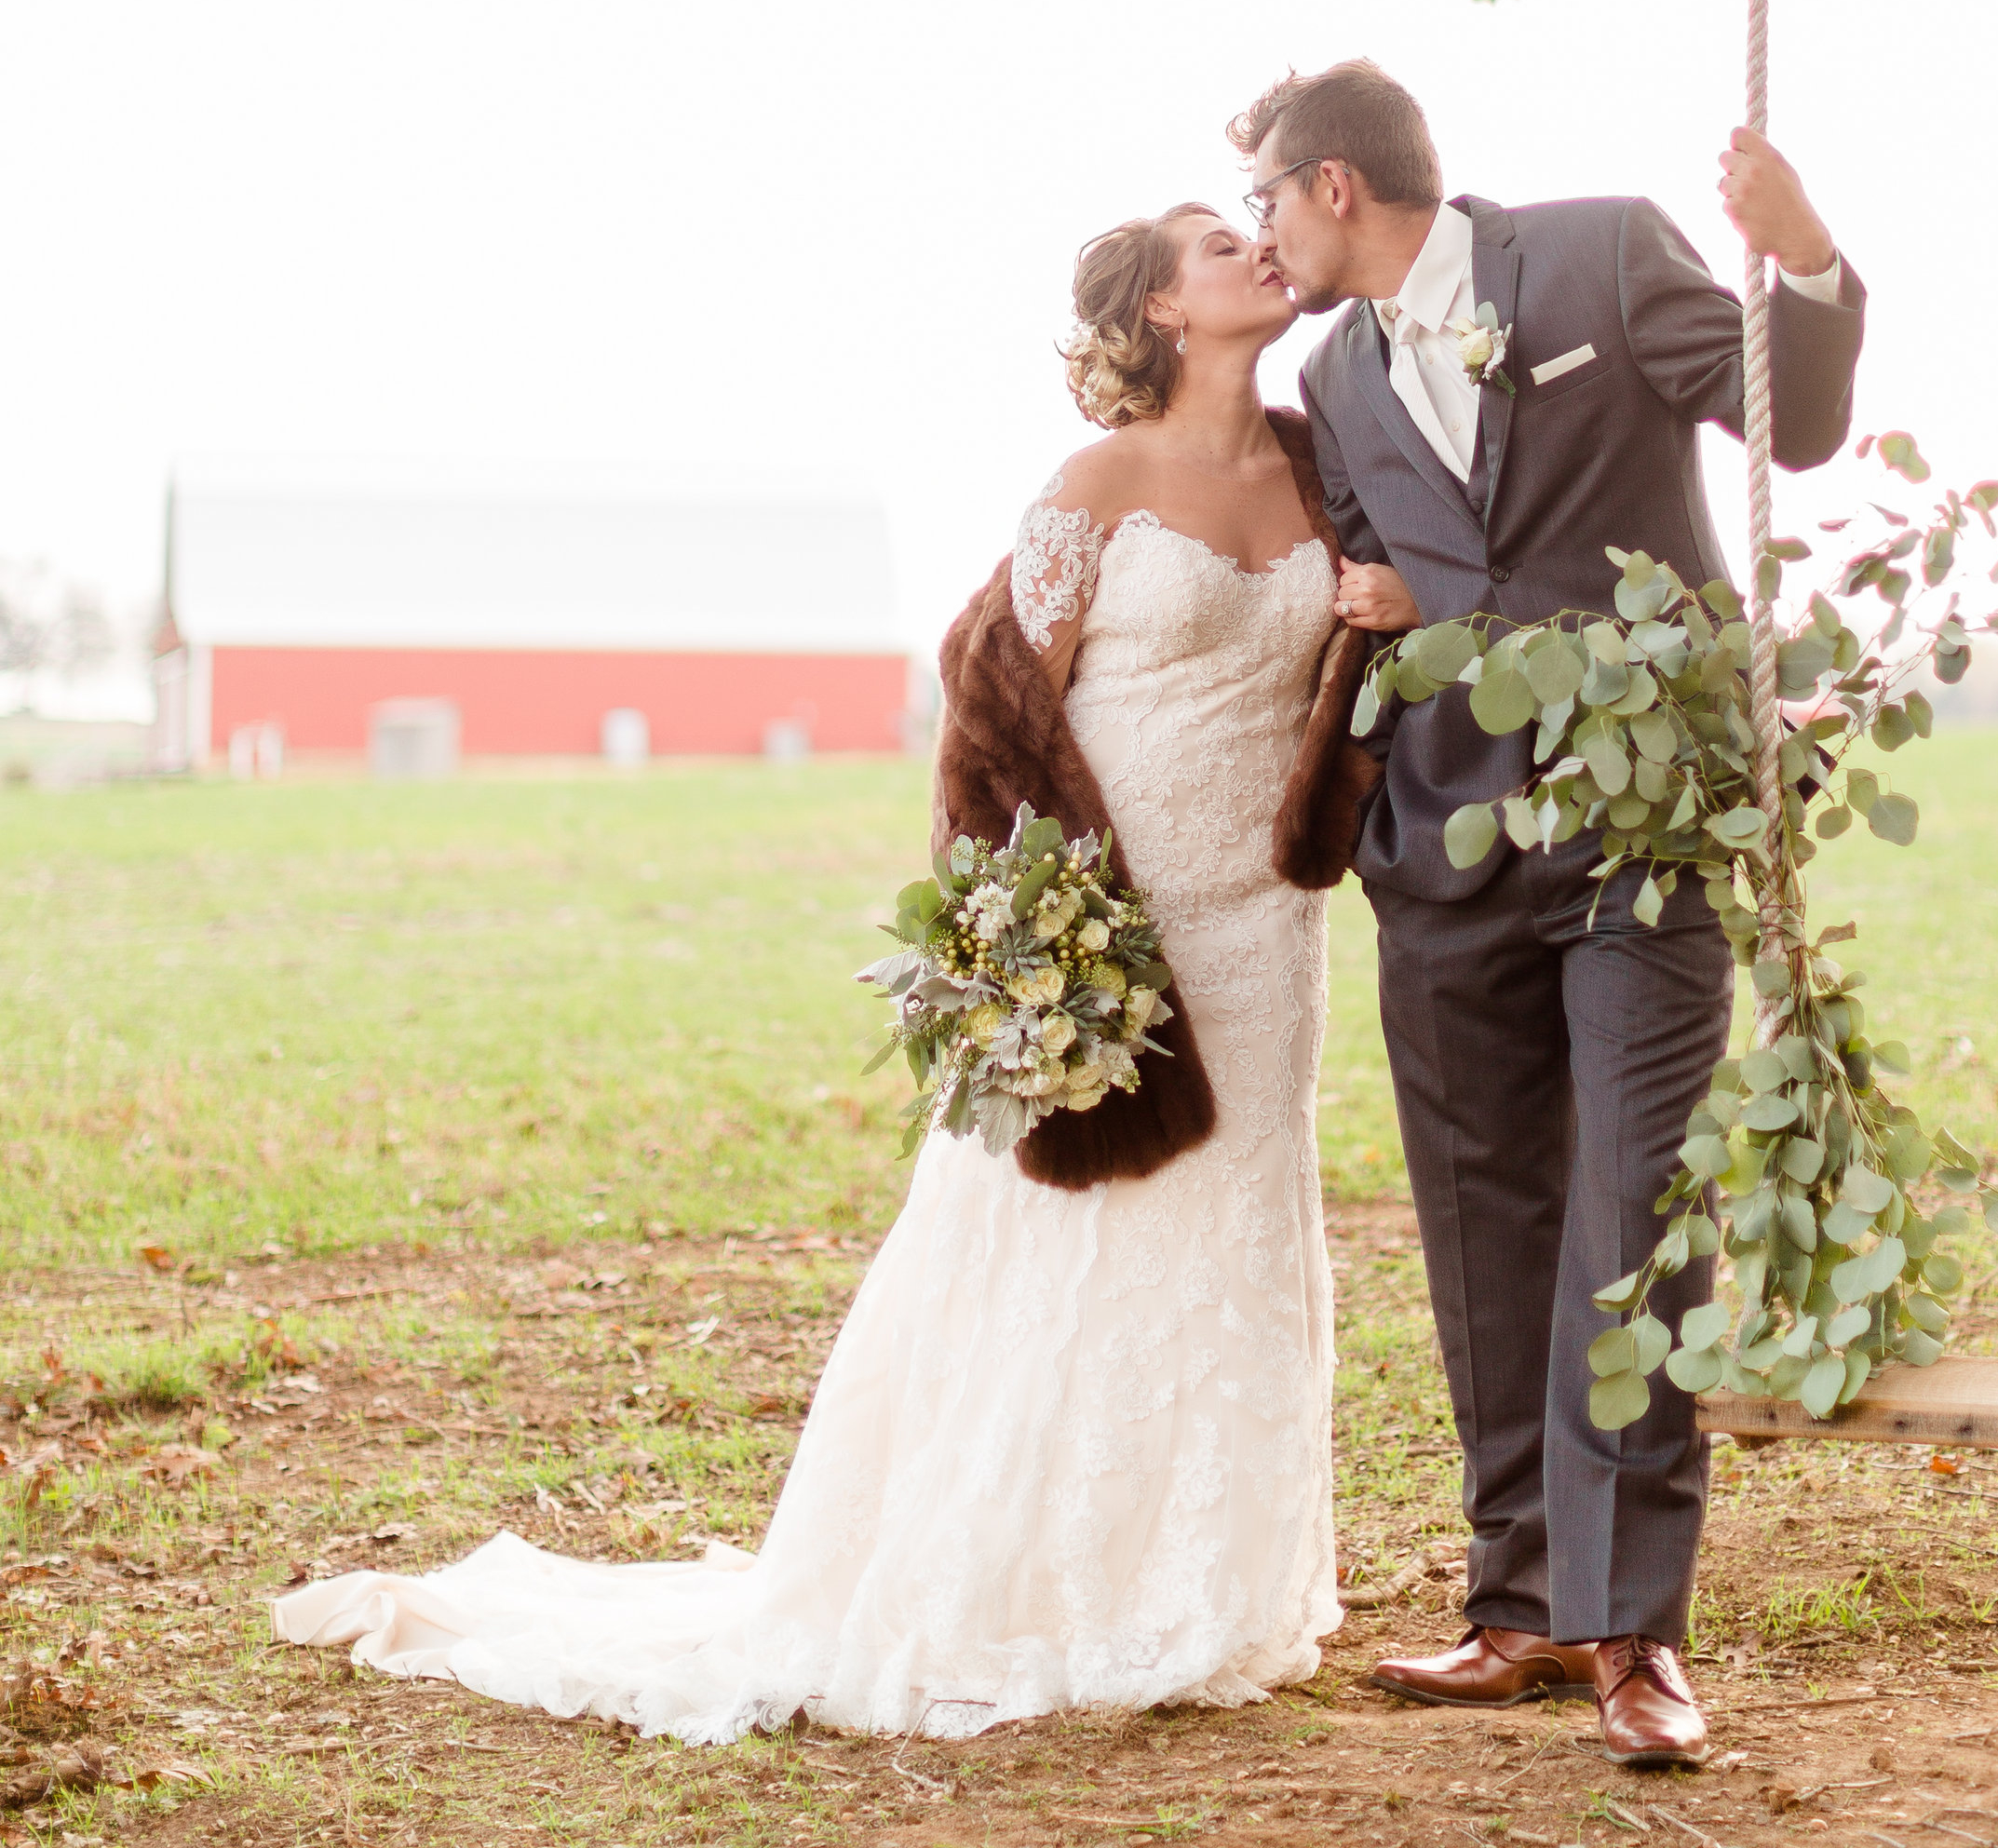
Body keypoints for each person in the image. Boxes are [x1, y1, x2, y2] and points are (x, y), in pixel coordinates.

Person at [274, 203, 1377, 1741]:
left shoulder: (1332, 464)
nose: (1254, 248)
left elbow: (1380, 647)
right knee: (1065, 1238)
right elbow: (992, 703)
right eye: (1214, 243)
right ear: (1159, 313)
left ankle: (1202, 1580)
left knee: (1240, 1218)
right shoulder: (1097, 486)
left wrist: (1389, 615)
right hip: (1107, 922)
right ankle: (1016, 1580)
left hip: (1267, 928)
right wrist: (1026, 941)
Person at [1236, 61, 1864, 1771]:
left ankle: (1634, 1629)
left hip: (1643, 835)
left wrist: (1801, 260)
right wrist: (1388, 600)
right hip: (1441, 850)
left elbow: (1787, 425)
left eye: (1268, 202)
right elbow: (1402, 576)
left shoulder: (1589, 263)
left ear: (1338, 186)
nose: (1262, 234)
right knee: (1483, 1223)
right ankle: (1514, 1600)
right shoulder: (1330, 371)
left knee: (1636, 1212)